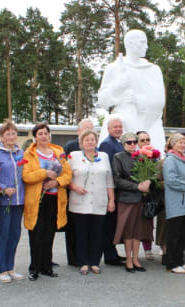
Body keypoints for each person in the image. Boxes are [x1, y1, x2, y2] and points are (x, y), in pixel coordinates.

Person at [98, 29, 165, 153]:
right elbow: (102, 101)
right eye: (142, 42)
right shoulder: (114, 68)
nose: (146, 46)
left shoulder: (153, 70)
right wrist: (118, 85)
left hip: (149, 122)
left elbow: (160, 101)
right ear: (129, 44)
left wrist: (138, 99)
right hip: (123, 122)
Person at [22, 123, 72, 281]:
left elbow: (68, 174)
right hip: (37, 199)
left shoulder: (58, 152)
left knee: (49, 233)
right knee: (36, 233)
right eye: (40, 133)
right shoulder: (29, 154)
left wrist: (56, 182)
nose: (44, 136)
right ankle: (34, 267)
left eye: (46, 133)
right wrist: (44, 173)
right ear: (35, 137)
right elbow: (26, 176)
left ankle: (46, 266)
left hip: (54, 198)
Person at [68, 129, 115, 275]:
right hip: (79, 202)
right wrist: (74, 187)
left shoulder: (104, 156)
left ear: (96, 142)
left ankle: (95, 262)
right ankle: (83, 262)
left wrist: (111, 200)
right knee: (81, 234)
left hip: (99, 201)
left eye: (93, 139)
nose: (90, 142)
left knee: (98, 233)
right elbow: (65, 177)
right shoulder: (73, 156)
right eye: (87, 140)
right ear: (81, 142)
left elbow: (109, 180)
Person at [0, 120, 25, 283]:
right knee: (3, 234)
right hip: (4, 201)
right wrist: (2, 189)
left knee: (15, 235)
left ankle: (10, 267)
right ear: (1, 136)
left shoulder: (20, 152)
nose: (11, 136)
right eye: (8, 134)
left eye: (14, 133)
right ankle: (1, 269)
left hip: (19, 200)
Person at [112, 133, 153, 273]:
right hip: (127, 199)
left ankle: (136, 258)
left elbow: (151, 173)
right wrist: (137, 187)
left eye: (134, 142)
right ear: (123, 144)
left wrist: (149, 181)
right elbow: (117, 180)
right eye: (128, 142)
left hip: (141, 199)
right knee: (128, 231)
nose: (132, 144)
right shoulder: (118, 157)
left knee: (138, 231)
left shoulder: (142, 157)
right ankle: (128, 259)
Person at [163, 133, 185, 274]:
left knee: (182, 235)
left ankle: (180, 261)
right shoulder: (170, 160)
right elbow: (171, 180)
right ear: (172, 144)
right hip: (176, 203)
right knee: (174, 235)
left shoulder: (182, 159)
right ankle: (172, 264)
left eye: (184, 143)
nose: (183, 145)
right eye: (180, 142)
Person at [63, 118, 94, 267]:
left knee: (86, 228)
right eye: (85, 129)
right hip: (73, 192)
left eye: (91, 129)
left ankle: (86, 257)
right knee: (73, 228)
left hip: (89, 195)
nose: (88, 133)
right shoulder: (71, 146)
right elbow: (64, 169)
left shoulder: (94, 147)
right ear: (78, 131)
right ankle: (73, 257)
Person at [99, 116, 126, 266]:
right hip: (112, 190)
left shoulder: (119, 143)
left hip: (118, 190)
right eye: (115, 126)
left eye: (120, 126)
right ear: (108, 129)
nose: (118, 129)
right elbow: (108, 169)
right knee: (109, 224)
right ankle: (109, 255)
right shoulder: (107, 144)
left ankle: (113, 252)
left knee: (114, 224)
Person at [137, 130, 155, 261]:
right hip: (136, 194)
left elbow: (158, 173)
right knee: (136, 224)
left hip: (150, 195)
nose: (145, 142)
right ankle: (134, 250)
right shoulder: (134, 156)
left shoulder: (155, 156)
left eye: (147, 140)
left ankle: (148, 248)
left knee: (148, 222)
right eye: (142, 140)